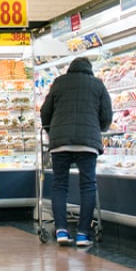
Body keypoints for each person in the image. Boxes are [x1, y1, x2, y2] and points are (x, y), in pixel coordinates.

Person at [39, 56, 112, 247]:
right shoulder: (98, 85)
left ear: (70, 69)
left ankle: (61, 230)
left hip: (60, 143)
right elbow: (106, 116)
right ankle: (83, 234)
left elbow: (45, 112)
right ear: (90, 69)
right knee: (88, 185)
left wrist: (52, 132)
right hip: (87, 144)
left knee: (59, 185)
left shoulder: (59, 83)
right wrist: (96, 129)